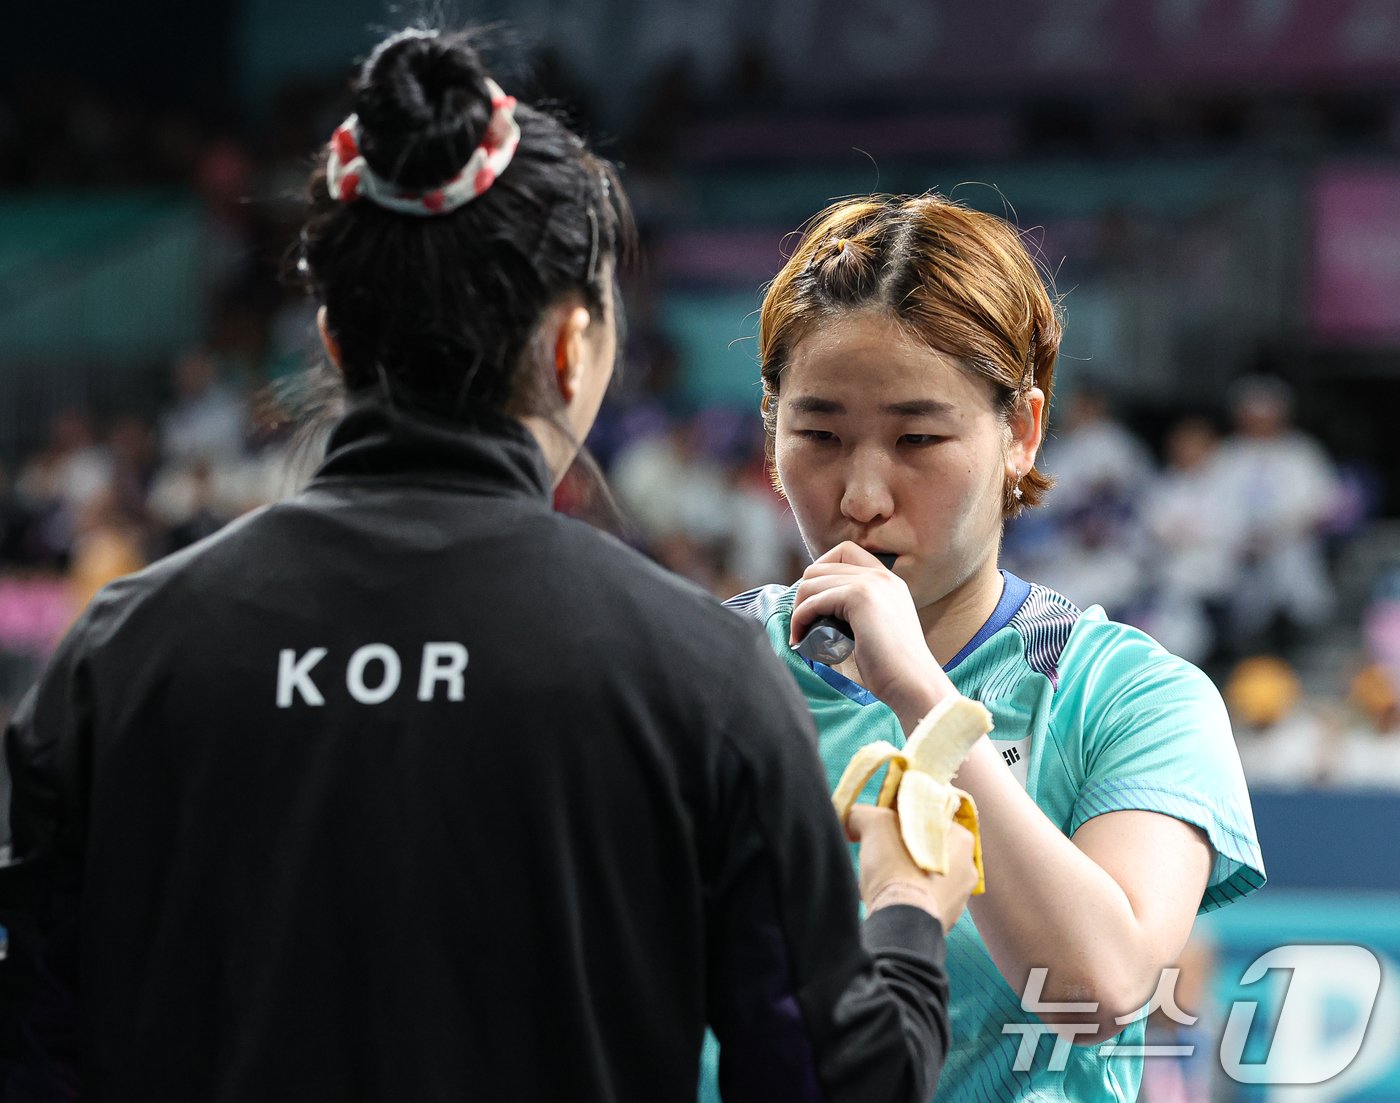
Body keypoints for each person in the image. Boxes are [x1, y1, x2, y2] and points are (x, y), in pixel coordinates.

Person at [0, 32, 977, 1103]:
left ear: (331, 338)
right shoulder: (697, 675)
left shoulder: (117, 655)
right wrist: (904, 913)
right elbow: (834, 1087)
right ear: (570, 345)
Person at [709, 194, 1265, 1103]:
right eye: (818, 434)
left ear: (1021, 431)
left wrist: (923, 698)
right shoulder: (701, 674)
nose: (860, 494)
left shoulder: (1131, 696)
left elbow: (1100, 991)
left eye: (918, 438)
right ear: (771, 431)